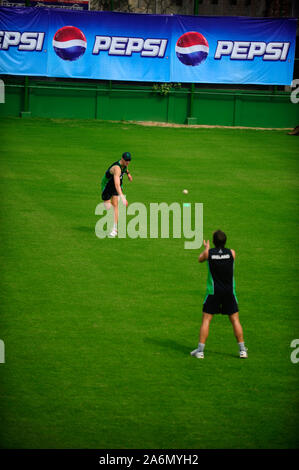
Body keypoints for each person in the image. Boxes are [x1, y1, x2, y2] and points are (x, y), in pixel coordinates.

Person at [191, 230, 248, 359]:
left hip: (213, 292)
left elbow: (200, 259)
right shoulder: (231, 253)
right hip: (229, 292)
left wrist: (207, 249)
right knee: (235, 320)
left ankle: (200, 351)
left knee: (206, 320)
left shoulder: (209, 253)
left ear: (214, 242)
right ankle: (242, 350)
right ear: (225, 241)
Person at [101, 152, 133, 238]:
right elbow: (116, 185)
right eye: (126, 160)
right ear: (122, 159)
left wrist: (129, 174)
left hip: (116, 186)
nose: (128, 162)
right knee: (108, 207)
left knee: (115, 205)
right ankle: (113, 226)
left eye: (129, 160)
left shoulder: (124, 165)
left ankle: (114, 229)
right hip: (107, 186)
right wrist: (123, 197)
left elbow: (126, 169)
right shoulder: (117, 168)